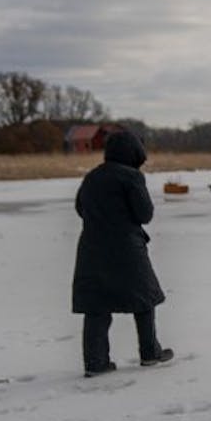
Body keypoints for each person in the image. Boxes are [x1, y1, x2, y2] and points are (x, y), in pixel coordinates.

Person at [72, 130, 174, 377]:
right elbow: (144, 214)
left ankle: (96, 362)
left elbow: (79, 207)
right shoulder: (132, 177)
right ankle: (150, 352)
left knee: (96, 305)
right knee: (145, 299)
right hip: (127, 248)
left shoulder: (92, 177)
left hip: (92, 248)